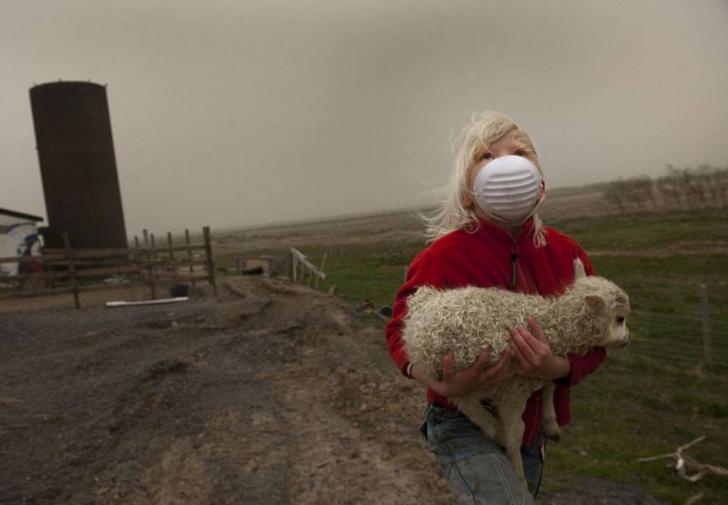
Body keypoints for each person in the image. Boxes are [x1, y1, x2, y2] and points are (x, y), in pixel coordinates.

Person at [384, 111, 606, 504]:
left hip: (529, 425)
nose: (506, 163)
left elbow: (596, 335)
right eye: (486, 156)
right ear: (467, 189)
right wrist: (442, 383)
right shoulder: (442, 256)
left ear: (540, 182)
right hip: (460, 417)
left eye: (519, 152)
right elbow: (399, 329)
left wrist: (557, 368)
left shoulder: (566, 253)